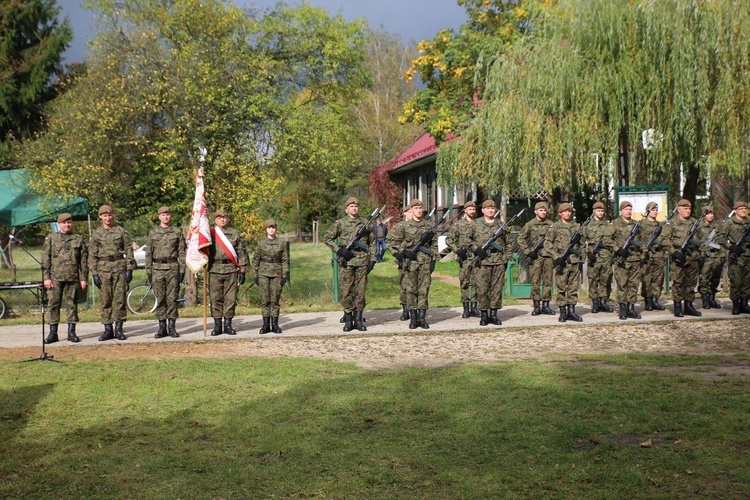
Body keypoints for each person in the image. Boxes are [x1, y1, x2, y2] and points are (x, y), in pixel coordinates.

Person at [323, 197, 376, 332]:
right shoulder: (340, 224)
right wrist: (339, 250)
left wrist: (373, 259)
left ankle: (358, 319)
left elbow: (372, 242)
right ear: (346, 209)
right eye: (351, 206)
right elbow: (327, 238)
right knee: (346, 291)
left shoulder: (365, 223)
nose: (354, 208)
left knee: (360, 290)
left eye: (356, 206)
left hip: (362, 260)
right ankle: (348, 318)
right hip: (346, 262)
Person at [387, 199, 438, 329]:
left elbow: (434, 244)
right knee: (411, 290)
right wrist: (403, 252)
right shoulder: (403, 226)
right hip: (410, 263)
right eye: (416, 208)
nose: (419, 210)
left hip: (425, 262)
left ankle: (422, 317)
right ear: (411, 210)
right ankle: (413, 318)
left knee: (424, 290)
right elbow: (391, 243)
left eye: (421, 208)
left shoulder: (429, 226)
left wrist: (434, 259)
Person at [89, 204, 136, 341]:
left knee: (120, 299)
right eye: (105, 215)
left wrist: (129, 269)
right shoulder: (97, 234)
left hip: (119, 268)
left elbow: (129, 250)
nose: (107, 218)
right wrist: (94, 273)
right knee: (105, 300)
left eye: (109, 215)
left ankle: (119, 329)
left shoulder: (121, 231)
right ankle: (107, 329)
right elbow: (92, 254)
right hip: (103, 270)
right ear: (100, 217)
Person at [41, 213, 88, 344]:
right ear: (59, 224)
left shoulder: (78, 239)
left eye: (69, 223)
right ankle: (53, 333)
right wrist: (46, 278)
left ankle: (71, 332)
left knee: (72, 304)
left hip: (73, 277)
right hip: (55, 278)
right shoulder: (51, 238)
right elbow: (45, 259)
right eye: (64, 223)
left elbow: (83, 261)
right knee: (53, 304)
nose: (67, 225)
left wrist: (83, 278)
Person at [469, 199, 512, 325]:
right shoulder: (475, 224)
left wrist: (506, 257)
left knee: (496, 289)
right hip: (482, 262)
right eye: (488, 208)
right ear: (482, 210)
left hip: (498, 261)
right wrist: (476, 249)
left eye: (492, 208)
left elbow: (509, 242)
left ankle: (493, 314)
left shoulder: (501, 225)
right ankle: (483, 314)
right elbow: (466, 240)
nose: (490, 210)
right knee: (482, 289)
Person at [146, 206, 186, 338]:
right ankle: (162, 327)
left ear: (171, 216)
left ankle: (172, 327)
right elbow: (148, 253)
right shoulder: (153, 232)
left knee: (172, 298)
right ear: (159, 217)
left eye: (168, 214)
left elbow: (181, 252)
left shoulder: (177, 232)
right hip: (157, 268)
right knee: (160, 298)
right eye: (163, 215)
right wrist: (149, 271)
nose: (166, 217)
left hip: (173, 268)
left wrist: (182, 269)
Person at [208, 209, 248, 336]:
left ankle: (228, 325)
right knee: (215, 298)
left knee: (230, 299)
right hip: (214, 269)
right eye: (219, 217)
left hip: (231, 269)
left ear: (228, 219)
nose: (222, 219)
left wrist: (243, 270)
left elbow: (242, 252)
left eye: (224, 217)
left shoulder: (235, 233)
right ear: (215, 219)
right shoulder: (210, 233)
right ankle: (217, 325)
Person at [544, 203, 584, 322]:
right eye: (565, 211)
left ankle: (571, 311)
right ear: (560, 213)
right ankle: (562, 311)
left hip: (574, 261)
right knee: (561, 287)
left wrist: (582, 256)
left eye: (569, 211)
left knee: (573, 288)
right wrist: (556, 257)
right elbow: (547, 244)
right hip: (562, 261)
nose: (567, 213)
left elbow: (582, 244)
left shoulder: (576, 227)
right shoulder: (554, 227)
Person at [662, 199, 702, 317]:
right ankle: (678, 306)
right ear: (678, 210)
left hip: (692, 257)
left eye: (689, 209)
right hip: (678, 257)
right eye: (685, 208)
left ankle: (689, 306)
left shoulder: (694, 223)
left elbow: (701, 239)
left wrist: (700, 252)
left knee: (691, 283)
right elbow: (664, 239)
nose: (688, 211)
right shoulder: (671, 223)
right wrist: (674, 252)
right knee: (678, 282)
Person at [518, 201, 555, 315]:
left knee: (548, 281)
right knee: (535, 282)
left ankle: (546, 305)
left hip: (548, 256)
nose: (543, 212)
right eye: (541, 210)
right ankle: (536, 306)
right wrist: (528, 252)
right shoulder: (530, 224)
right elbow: (520, 238)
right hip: (535, 257)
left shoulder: (551, 224)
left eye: (544, 210)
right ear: (535, 211)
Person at [252, 219, 289, 333]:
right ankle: (265, 325)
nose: (271, 229)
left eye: (273, 227)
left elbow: (285, 260)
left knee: (275, 299)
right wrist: (255, 274)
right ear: (266, 229)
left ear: (275, 229)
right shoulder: (261, 243)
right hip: (263, 273)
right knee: (265, 299)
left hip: (277, 273)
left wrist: (285, 274)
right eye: (269, 227)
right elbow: (255, 259)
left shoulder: (281, 243)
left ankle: (275, 324)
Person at [445, 200, 479, 318]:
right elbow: (448, 239)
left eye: (474, 209)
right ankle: (465, 308)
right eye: (470, 209)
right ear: (465, 211)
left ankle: (474, 307)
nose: (472, 211)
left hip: (476, 257)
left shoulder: (478, 224)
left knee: (476, 283)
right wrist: (457, 250)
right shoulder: (459, 225)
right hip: (464, 258)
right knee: (464, 283)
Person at [716, 201, 750, 315]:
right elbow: (720, 238)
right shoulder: (729, 223)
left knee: (747, 282)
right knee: (736, 282)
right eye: (740, 209)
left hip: (748, 256)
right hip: (736, 258)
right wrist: (731, 246)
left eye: (745, 208)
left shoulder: (748, 222)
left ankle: (744, 304)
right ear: (735, 211)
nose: (743, 210)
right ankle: (736, 305)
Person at [612, 200, 643, 320]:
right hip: (622, 260)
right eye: (626, 209)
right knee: (622, 284)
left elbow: (641, 240)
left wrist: (641, 254)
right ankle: (623, 309)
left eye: (630, 209)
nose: (628, 211)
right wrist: (618, 249)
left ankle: (631, 308)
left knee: (633, 285)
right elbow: (609, 240)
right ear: (621, 211)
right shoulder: (615, 224)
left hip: (634, 258)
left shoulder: (636, 224)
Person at [583, 201, 615, 313]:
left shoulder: (609, 226)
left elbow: (614, 240)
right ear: (594, 211)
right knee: (593, 280)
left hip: (606, 257)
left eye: (602, 211)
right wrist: (588, 253)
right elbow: (581, 242)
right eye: (598, 211)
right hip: (594, 257)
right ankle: (595, 303)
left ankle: (603, 302)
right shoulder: (587, 226)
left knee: (605, 280)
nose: (600, 213)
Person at [640, 202, 667, 311]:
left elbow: (665, 239)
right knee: (647, 278)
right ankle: (648, 301)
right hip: (647, 255)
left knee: (658, 278)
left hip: (658, 254)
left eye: (656, 209)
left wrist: (665, 254)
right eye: (653, 210)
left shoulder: (660, 225)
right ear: (648, 211)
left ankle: (655, 300)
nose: (655, 212)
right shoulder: (641, 224)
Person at [389, 205, 413, 321]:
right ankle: (405, 310)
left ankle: (415, 310)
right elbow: (389, 242)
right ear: (405, 213)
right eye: (409, 211)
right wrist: (396, 253)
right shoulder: (399, 226)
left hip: (417, 260)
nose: (412, 213)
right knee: (404, 285)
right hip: (403, 260)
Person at [697, 205, 724, 309]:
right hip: (705, 256)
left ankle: (712, 298)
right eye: (708, 213)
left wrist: (721, 254)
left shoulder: (717, 226)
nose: (711, 215)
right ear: (704, 215)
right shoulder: (699, 226)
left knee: (715, 278)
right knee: (704, 278)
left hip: (716, 255)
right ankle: (705, 299)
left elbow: (721, 241)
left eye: (712, 213)